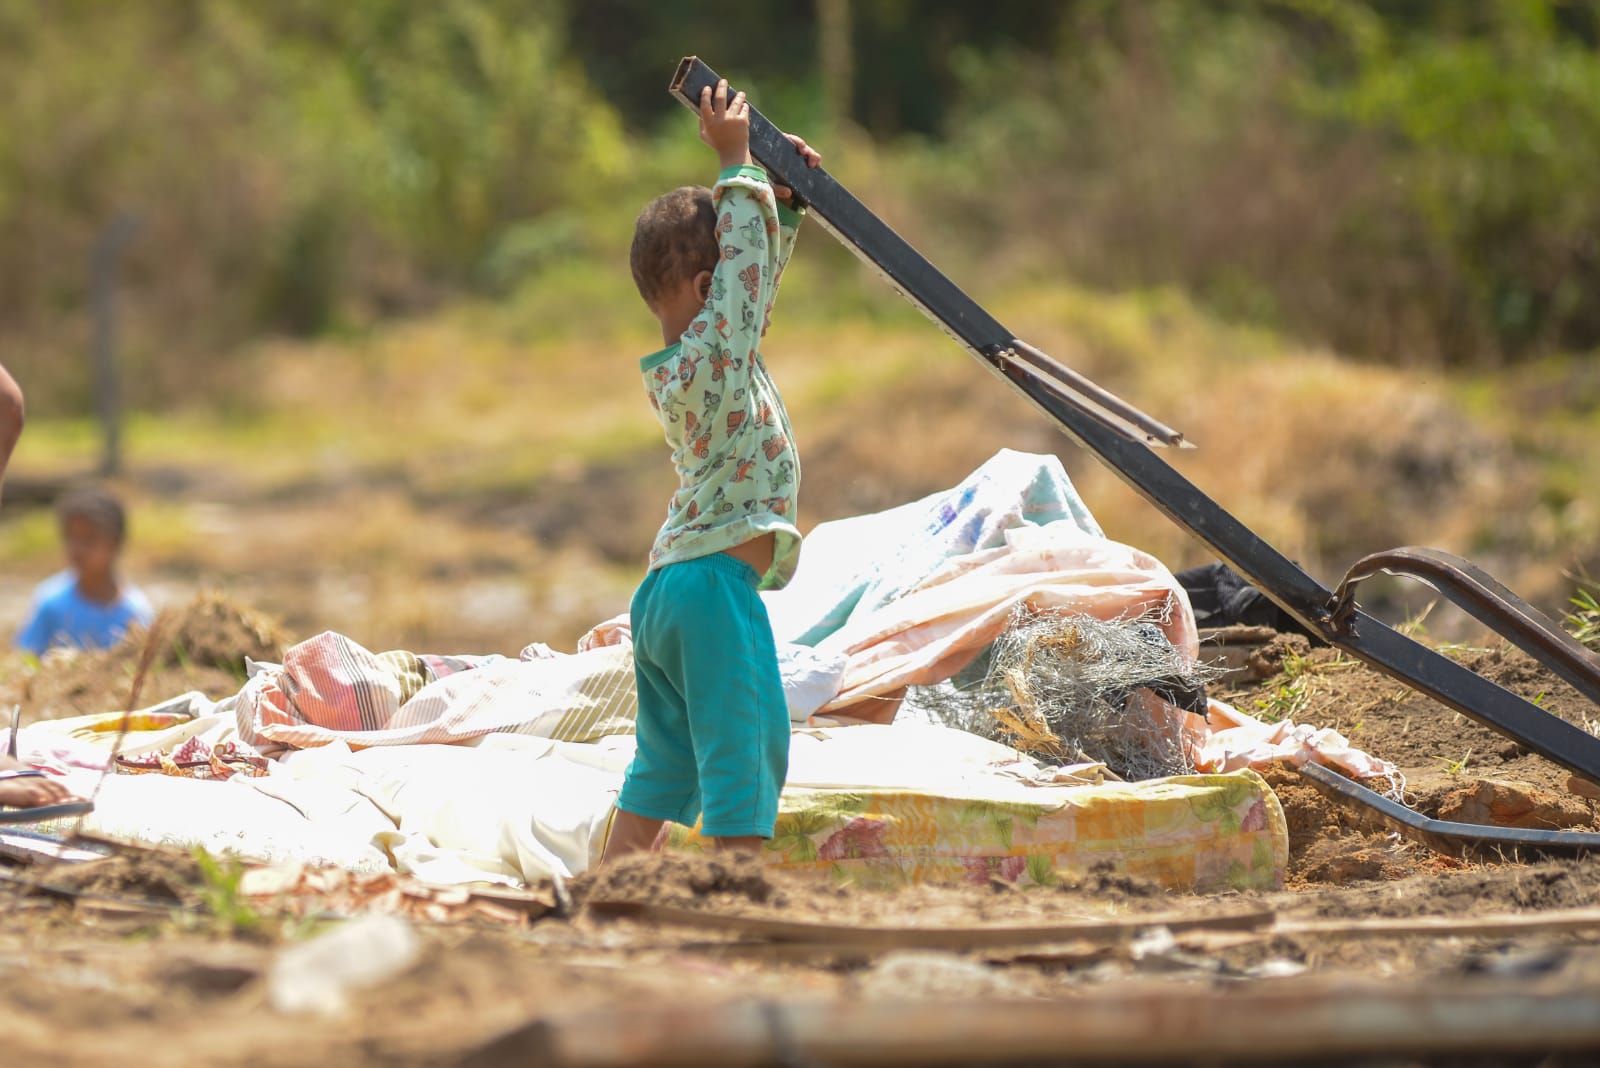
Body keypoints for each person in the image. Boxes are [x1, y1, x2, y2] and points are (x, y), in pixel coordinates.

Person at [602, 80, 822, 860]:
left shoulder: (705, 358)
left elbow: (749, 288)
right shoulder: (714, 358)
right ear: (706, 288)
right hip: (711, 593)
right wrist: (737, 165)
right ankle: (736, 888)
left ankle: (611, 895)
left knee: (663, 767)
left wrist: (780, 203)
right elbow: (743, 284)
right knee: (746, 745)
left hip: (667, 592)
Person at [17, 486, 154, 656]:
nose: (78, 549)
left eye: (89, 539)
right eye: (71, 537)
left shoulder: (135, 613)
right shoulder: (51, 601)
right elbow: (27, 657)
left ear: (115, 543)